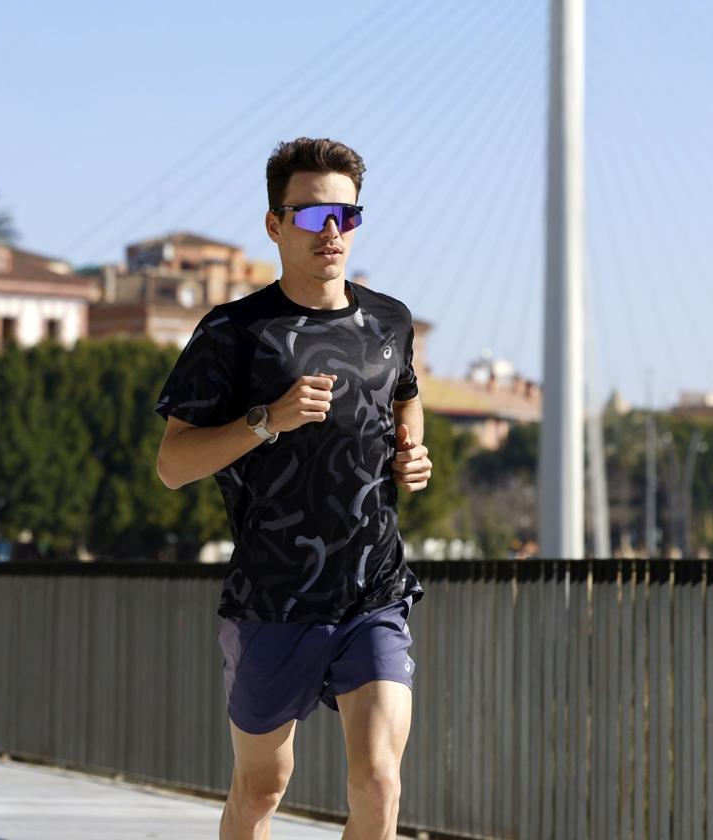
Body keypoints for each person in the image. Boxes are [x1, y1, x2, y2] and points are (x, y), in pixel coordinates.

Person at [152, 136, 431, 840]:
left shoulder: (389, 320)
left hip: (374, 591)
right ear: (275, 225)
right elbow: (174, 464)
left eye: (345, 216)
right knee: (261, 788)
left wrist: (411, 449)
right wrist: (265, 420)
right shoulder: (233, 333)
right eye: (310, 216)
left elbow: (405, 392)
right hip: (273, 599)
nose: (330, 233)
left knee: (380, 782)